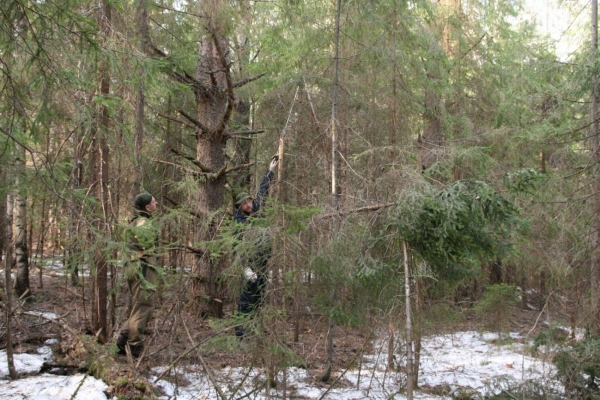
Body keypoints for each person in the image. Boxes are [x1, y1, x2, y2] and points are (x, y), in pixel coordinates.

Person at [234, 156, 278, 336]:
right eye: (245, 203)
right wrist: (245, 268)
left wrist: (270, 170)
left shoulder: (256, 210)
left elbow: (263, 191)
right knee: (246, 299)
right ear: (240, 206)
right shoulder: (239, 223)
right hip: (250, 267)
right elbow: (237, 247)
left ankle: (253, 331)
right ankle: (241, 334)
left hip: (262, 263)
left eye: (249, 201)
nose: (249, 205)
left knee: (259, 298)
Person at [116, 193, 160, 358]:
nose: (157, 203)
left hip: (136, 267)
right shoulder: (144, 223)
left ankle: (121, 342)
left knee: (139, 306)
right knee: (144, 306)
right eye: (154, 202)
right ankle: (134, 346)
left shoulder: (135, 221)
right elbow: (146, 244)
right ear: (147, 207)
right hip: (142, 268)